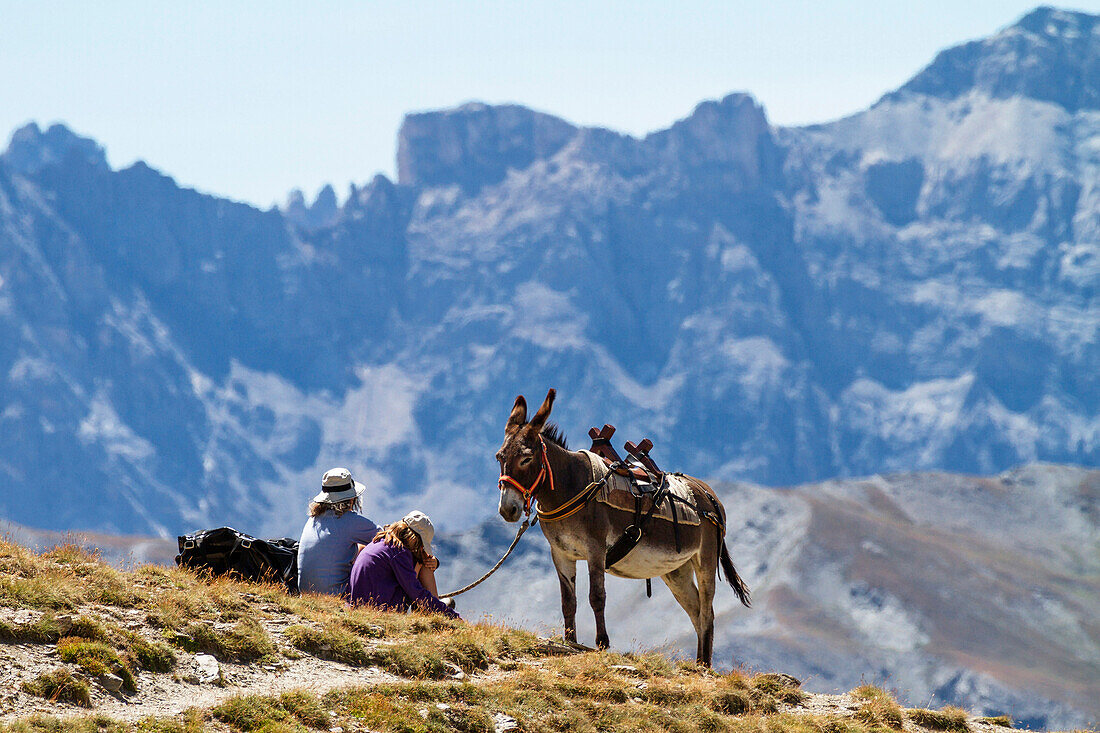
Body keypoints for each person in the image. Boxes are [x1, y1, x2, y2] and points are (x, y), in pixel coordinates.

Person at [349, 510, 459, 619]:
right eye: (421, 545)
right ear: (415, 539)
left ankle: (435, 609)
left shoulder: (384, 541)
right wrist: (452, 615)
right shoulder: (399, 552)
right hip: (379, 612)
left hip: (359, 606)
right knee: (423, 562)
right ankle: (436, 615)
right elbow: (416, 592)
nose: (420, 548)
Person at [297, 467, 379, 596]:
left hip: (306, 596)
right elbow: (387, 538)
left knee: (359, 547)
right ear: (351, 498)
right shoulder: (350, 521)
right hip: (336, 597)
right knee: (383, 551)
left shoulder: (313, 520)